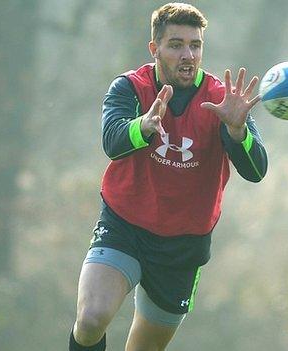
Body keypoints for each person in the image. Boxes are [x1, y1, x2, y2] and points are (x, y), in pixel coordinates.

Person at [69, 3, 268, 351]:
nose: (188, 54)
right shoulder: (130, 88)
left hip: (182, 244)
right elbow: (112, 141)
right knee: (90, 320)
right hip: (124, 225)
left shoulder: (222, 101)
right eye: (176, 44)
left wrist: (237, 132)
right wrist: (143, 126)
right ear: (155, 49)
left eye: (195, 44)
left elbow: (256, 171)